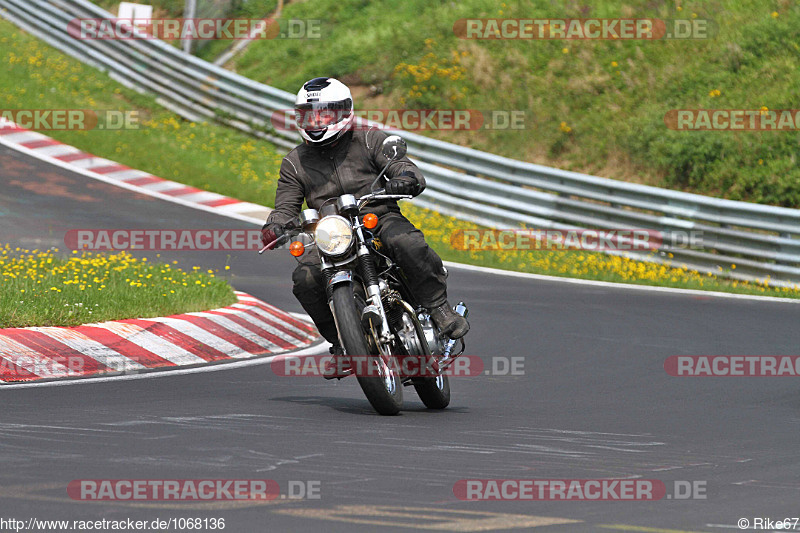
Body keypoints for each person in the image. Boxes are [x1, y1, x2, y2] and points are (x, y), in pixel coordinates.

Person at [261, 77, 469, 354]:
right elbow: (285, 207)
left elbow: (403, 167)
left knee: (407, 243)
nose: (316, 120)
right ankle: (341, 344)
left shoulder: (370, 139)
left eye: (324, 113)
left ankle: (439, 309)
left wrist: (404, 179)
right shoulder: (294, 162)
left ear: (344, 112)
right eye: (309, 114)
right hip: (330, 233)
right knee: (306, 279)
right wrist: (275, 226)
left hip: (378, 216)